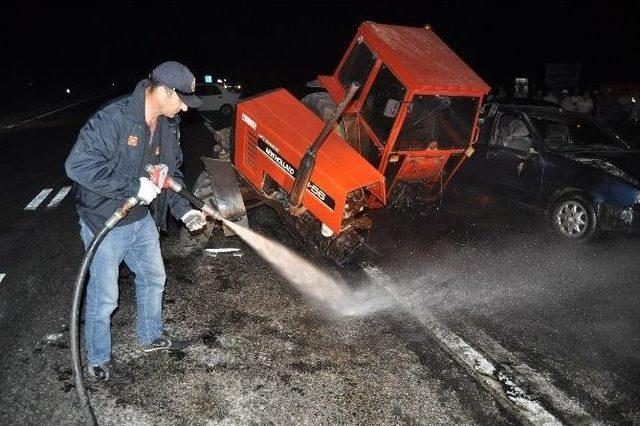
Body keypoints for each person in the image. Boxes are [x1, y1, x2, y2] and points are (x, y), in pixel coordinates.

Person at [65, 61, 207, 383]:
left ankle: (151, 336)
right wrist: (132, 187)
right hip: (106, 220)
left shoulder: (169, 125)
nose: (185, 107)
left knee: (154, 276)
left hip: (141, 219)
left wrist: (183, 209)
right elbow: (77, 166)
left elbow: (169, 174)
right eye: (182, 100)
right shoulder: (112, 119)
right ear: (164, 91)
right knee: (105, 298)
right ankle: (99, 361)